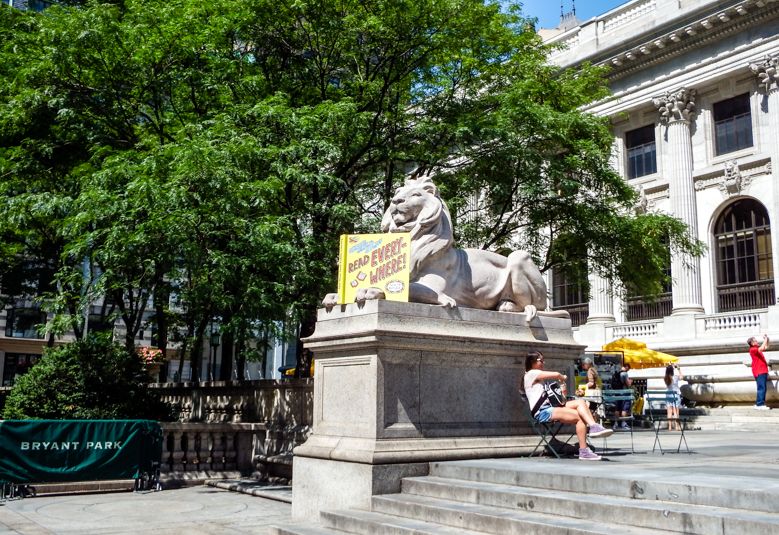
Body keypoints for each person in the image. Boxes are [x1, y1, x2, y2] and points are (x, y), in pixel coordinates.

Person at [522, 351, 612, 461]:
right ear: (532, 362)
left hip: (551, 408)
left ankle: (593, 426)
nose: (543, 363)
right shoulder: (530, 374)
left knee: (580, 402)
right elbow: (556, 374)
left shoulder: (541, 381)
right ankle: (584, 451)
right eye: (541, 360)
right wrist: (562, 377)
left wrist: (563, 391)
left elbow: (561, 401)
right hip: (543, 411)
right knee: (579, 417)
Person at [747, 335, 771, 410]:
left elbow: (766, 347)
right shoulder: (753, 349)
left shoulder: (756, 348)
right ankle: (760, 404)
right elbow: (761, 348)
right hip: (759, 371)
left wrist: (767, 340)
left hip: (761, 370)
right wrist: (765, 340)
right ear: (752, 343)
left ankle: (758, 404)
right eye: (755, 340)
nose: (757, 341)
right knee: (762, 387)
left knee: (761, 387)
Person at [611, 363, 633, 431]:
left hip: (617, 392)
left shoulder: (616, 373)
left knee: (617, 408)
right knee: (624, 408)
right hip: (624, 393)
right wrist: (630, 381)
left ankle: (616, 423)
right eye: (628, 369)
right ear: (626, 367)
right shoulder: (624, 374)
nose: (628, 370)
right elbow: (628, 384)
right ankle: (623, 423)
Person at [664, 364, 683, 430]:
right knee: (676, 411)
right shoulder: (675, 377)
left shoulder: (666, 378)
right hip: (675, 394)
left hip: (668, 395)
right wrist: (678, 369)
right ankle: (676, 426)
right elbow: (682, 377)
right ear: (672, 370)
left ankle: (670, 427)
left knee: (669, 411)